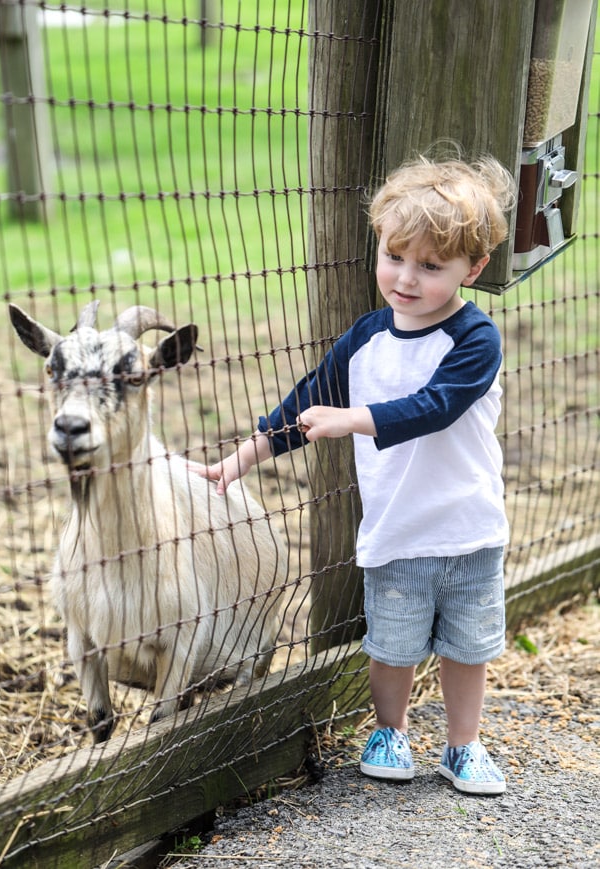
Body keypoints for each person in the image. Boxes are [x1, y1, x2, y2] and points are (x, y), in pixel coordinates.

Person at [193, 153, 516, 795]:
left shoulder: (475, 339)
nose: (406, 277)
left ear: (472, 270)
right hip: (395, 531)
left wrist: (353, 419)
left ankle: (463, 745)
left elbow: (436, 406)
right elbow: (306, 400)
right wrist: (241, 459)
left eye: (430, 266)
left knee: (467, 648)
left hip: (468, 529)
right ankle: (389, 731)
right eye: (396, 256)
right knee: (391, 646)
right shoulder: (366, 339)